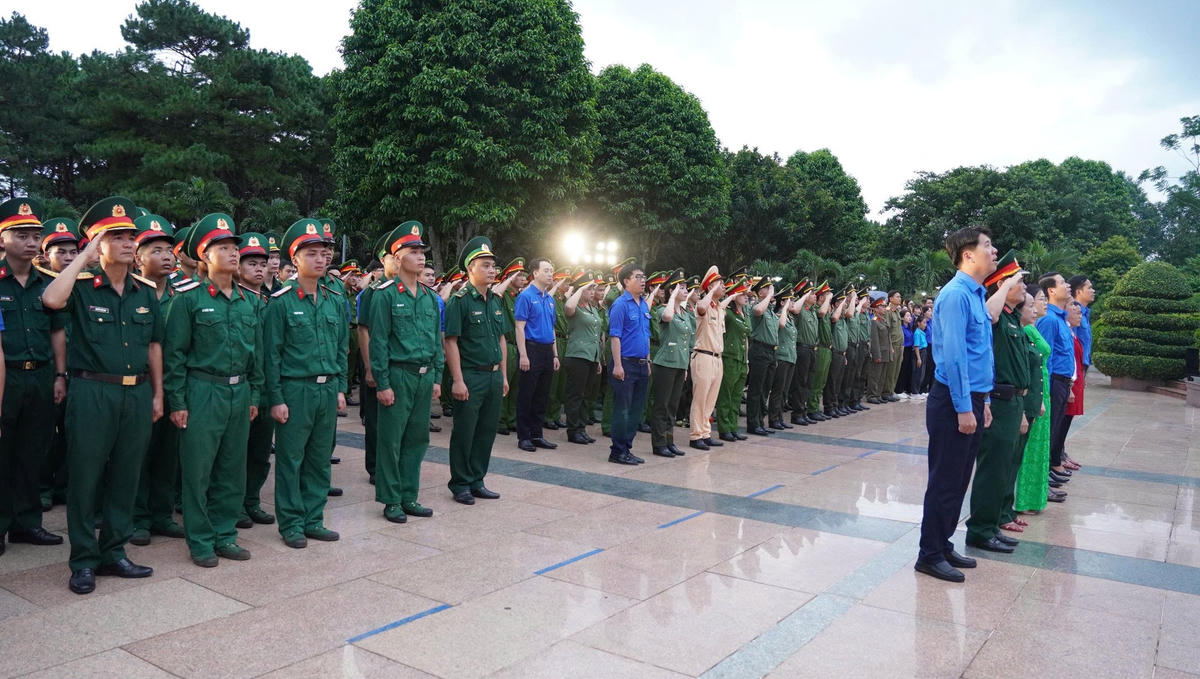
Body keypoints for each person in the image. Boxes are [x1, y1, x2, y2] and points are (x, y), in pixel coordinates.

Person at [42, 196, 166, 595]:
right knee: (85, 478)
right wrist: (84, 257)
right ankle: (83, 560)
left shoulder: (145, 291)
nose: (129, 243)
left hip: (136, 392)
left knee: (127, 476)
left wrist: (158, 394)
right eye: (117, 237)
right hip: (92, 391)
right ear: (98, 244)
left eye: (131, 237)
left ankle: (114, 552)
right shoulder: (80, 288)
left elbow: (154, 346)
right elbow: (51, 300)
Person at [165, 214, 263, 567]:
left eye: (235, 247)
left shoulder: (249, 301)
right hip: (202, 390)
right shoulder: (188, 299)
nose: (234, 253)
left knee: (232, 469)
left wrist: (255, 396)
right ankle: (201, 540)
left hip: (240, 391)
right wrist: (178, 401)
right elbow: (175, 356)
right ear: (205, 256)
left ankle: (225, 534)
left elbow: (257, 354)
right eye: (223, 248)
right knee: (198, 471)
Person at [915, 226, 996, 583]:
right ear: (968, 254)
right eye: (988, 245)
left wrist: (984, 401)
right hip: (952, 400)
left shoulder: (976, 294)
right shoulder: (954, 295)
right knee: (945, 481)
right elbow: (954, 357)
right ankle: (929, 554)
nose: (994, 251)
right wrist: (964, 407)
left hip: (972, 397)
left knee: (960, 479)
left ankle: (943, 543)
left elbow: (981, 354)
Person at [263, 218, 348, 547]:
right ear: (295, 260)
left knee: (319, 458)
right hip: (295, 389)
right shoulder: (281, 301)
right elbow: (271, 354)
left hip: (326, 388)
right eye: (311, 253)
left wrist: (340, 388)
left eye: (323, 253)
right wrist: (276, 398)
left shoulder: (334, 298)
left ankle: (314, 519)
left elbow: (341, 347)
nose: (320, 259)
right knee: (291, 459)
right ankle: (291, 523)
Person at [0, 198, 66, 556]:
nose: (30, 242)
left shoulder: (48, 284)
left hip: (40, 375)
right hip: (6, 377)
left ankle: (27, 523)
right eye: (21, 235)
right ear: (2, 239)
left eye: (35, 236)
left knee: (32, 451)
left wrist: (59, 374)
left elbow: (57, 331)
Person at [367, 221, 443, 523]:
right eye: (413, 252)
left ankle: (409, 495)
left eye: (422, 251)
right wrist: (382, 383)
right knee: (391, 440)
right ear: (397, 258)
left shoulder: (429, 296)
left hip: (424, 375)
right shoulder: (384, 295)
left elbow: (435, 341)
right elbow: (378, 342)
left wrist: (437, 377)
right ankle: (391, 499)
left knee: (417, 439)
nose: (420, 257)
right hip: (398, 374)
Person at [965, 250, 1031, 554]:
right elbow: (990, 314)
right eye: (1019, 282)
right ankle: (979, 530)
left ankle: (991, 526)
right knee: (992, 469)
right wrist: (1004, 285)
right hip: (1000, 401)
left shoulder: (1013, 317)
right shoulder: (996, 313)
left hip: (1014, 401)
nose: (1024, 287)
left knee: (1003, 469)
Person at [129, 214, 187, 546]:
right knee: (138, 453)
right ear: (138, 258)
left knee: (168, 453)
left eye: (169, 250)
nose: (166, 256)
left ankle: (162, 515)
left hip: (174, 384)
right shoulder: (129, 292)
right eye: (156, 250)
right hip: (139, 386)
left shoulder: (183, 294)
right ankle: (137, 517)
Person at [443, 236, 508, 505]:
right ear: (470, 268)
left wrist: (503, 375)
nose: (492, 270)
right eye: (485, 266)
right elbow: (450, 341)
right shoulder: (459, 301)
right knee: (465, 432)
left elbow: (502, 338)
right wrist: (457, 380)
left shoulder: (495, 300)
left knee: (486, 431)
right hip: (471, 375)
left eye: (493, 266)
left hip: (493, 375)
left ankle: (477, 480)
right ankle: (460, 483)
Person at [234, 233, 277, 527]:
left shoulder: (272, 302)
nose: (259, 268)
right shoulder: (231, 299)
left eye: (262, 263)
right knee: (236, 451)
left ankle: (252, 500)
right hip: (241, 386)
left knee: (261, 451)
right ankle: (234, 503)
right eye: (251, 263)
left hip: (266, 387)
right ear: (238, 266)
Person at [38, 217, 80, 511]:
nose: (67, 258)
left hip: (79, 372)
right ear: (46, 256)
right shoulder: (40, 286)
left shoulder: (84, 286)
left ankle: (64, 485)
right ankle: (42, 488)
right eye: (60, 252)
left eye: (73, 252)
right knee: (44, 434)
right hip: (45, 372)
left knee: (72, 433)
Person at [606, 262, 651, 465]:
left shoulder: (643, 304)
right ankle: (617, 451)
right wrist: (617, 365)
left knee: (635, 411)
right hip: (625, 363)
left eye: (644, 277)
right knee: (622, 409)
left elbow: (645, 335)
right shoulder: (620, 304)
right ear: (626, 281)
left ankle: (627, 448)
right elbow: (615, 336)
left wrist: (647, 361)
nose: (643, 280)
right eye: (638, 277)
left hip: (641, 364)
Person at [514, 258, 560, 452]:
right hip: (531, 348)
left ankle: (537, 434)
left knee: (542, 394)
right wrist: (523, 355)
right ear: (535, 273)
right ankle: (524, 436)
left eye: (551, 270)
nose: (550, 274)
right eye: (546, 270)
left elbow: (552, 328)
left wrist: (555, 355)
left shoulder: (550, 299)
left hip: (547, 350)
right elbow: (519, 326)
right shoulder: (525, 296)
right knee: (527, 394)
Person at [1035, 272, 1075, 486]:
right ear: (1051, 290)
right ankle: (1044, 475)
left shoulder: (1059, 318)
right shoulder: (1049, 319)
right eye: (1062, 283)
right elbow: (1044, 357)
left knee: (1055, 429)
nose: (1067, 285)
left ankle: (1049, 469)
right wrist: (1046, 389)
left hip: (1063, 382)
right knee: (1049, 430)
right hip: (1054, 382)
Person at [689, 266, 734, 448]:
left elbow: (724, 303)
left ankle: (705, 432)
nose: (723, 287)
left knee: (710, 400)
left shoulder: (718, 308)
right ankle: (695, 435)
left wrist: (734, 292)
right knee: (700, 399)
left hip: (717, 358)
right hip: (704, 356)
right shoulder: (704, 305)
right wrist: (710, 290)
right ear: (709, 287)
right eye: (719, 284)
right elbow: (700, 306)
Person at [650, 272, 693, 457]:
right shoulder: (663, 309)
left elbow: (687, 341)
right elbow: (667, 317)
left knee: (672, 406)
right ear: (671, 291)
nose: (685, 291)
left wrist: (685, 366)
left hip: (679, 364)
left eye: (685, 288)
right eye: (681, 288)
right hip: (665, 363)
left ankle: (669, 440)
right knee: (662, 405)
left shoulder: (684, 313)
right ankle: (659, 443)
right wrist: (673, 297)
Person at [563, 272, 604, 445]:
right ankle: (573, 430)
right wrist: (579, 290)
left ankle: (581, 428)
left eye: (593, 288)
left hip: (591, 356)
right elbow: (568, 307)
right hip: (577, 355)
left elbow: (597, 335)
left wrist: (598, 359)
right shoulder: (576, 306)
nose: (592, 291)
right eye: (589, 288)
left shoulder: (592, 308)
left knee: (586, 395)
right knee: (576, 395)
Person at [715, 276, 751, 442]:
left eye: (747, 294)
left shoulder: (744, 314)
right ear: (734, 295)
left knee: (737, 396)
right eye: (742, 294)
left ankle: (733, 427)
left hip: (741, 358)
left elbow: (746, 338)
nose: (746, 297)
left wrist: (747, 360)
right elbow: (719, 310)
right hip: (729, 358)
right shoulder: (728, 313)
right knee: (726, 394)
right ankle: (724, 428)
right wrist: (730, 296)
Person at [745, 277, 779, 436]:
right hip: (759, 350)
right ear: (760, 293)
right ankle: (753, 423)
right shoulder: (757, 306)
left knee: (765, 389)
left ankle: (760, 421)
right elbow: (758, 311)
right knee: (756, 389)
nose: (771, 290)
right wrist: (769, 295)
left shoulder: (770, 311)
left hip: (771, 352)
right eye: (767, 288)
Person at [496, 258, 525, 435]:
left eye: (523, 275)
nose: (523, 278)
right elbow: (495, 293)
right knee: (504, 384)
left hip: (518, 344)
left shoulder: (520, 296)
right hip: (506, 343)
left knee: (516, 386)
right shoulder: (504, 294)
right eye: (518, 275)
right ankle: (500, 420)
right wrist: (508, 279)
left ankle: (511, 418)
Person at [767, 285, 798, 430]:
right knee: (778, 390)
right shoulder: (779, 315)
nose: (793, 303)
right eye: (790, 300)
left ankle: (779, 417)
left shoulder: (790, 317)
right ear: (782, 302)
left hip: (790, 357)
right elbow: (781, 325)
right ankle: (773, 418)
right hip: (781, 357)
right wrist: (784, 308)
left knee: (784, 390)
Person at [788, 280, 818, 426]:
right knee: (800, 383)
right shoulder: (800, 309)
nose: (815, 295)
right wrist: (804, 295)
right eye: (811, 293)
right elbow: (794, 309)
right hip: (802, 348)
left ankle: (804, 411)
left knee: (808, 383)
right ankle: (797, 413)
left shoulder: (812, 310)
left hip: (812, 349)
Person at [805, 282, 833, 422]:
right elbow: (821, 313)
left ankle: (815, 407)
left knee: (822, 381)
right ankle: (812, 408)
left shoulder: (826, 310)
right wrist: (828, 300)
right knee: (816, 381)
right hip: (820, 348)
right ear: (822, 297)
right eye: (827, 295)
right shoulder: (818, 309)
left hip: (827, 348)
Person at [823, 288, 851, 418]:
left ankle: (835, 405)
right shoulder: (833, 317)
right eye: (841, 301)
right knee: (832, 382)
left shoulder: (843, 319)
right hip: (834, 353)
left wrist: (844, 355)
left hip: (842, 353)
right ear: (835, 304)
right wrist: (842, 303)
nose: (844, 304)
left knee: (838, 382)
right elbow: (834, 317)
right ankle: (829, 407)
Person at [883, 290, 904, 401]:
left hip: (899, 345)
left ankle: (891, 390)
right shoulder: (888, 311)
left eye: (900, 296)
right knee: (890, 371)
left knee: (896, 370)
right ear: (890, 299)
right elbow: (887, 330)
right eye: (897, 296)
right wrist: (890, 346)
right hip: (893, 345)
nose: (899, 298)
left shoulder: (896, 312)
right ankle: (886, 392)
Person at [895, 309, 915, 399]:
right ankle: (899, 390)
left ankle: (906, 389)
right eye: (907, 316)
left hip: (910, 349)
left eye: (910, 316)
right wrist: (902, 354)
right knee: (902, 370)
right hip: (904, 349)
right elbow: (902, 342)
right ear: (902, 318)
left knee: (908, 370)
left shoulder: (910, 327)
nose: (910, 318)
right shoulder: (901, 328)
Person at [910, 315, 928, 399]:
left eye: (926, 323)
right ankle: (914, 392)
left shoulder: (922, 332)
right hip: (919, 353)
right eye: (924, 323)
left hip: (924, 352)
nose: (925, 325)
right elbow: (916, 346)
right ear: (918, 323)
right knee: (917, 373)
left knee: (922, 373)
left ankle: (919, 390)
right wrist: (919, 358)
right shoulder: (917, 333)